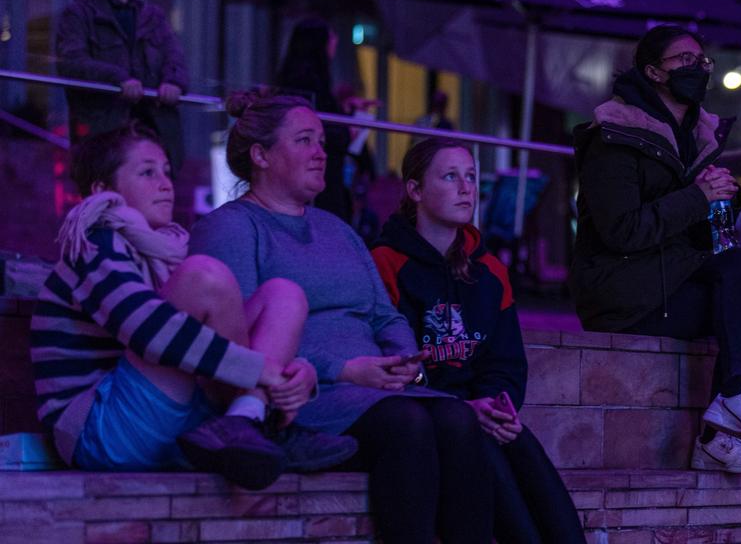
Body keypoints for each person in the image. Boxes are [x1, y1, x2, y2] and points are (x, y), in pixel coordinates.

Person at [189, 91, 493, 544]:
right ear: (261, 155)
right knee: (407, 425)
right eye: (305, 140)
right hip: (304, 395)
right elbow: (239, 333)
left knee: (459, 420)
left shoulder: (339, 230)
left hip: (377, 390)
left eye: (322, 143)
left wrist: (403, 363)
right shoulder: (233, 227)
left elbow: (384, 316)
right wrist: (346, 370)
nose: (321, 152)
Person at [31, 122, 355, 491]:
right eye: (147, 173)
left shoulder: (161, 251)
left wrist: (298, 373)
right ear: (102, 190)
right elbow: (146, 330)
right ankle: (263, 423)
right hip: (102, 432)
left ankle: (247, 419)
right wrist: (262, 371)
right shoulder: (95, 243)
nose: (166, 183)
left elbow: (218, 340)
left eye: (167, 171)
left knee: (283, 294)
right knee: (205, 277)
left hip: (168, 418)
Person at [571, 25, 741, 474]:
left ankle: (721, 427)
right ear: (653, 72)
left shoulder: (696, 138)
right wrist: (697, 198)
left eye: (703, 61)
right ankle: (730, 410)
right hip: (621, 296)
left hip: (666, 282)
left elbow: (695, 236)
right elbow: (623, 232)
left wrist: (723, 200)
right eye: (684, 61)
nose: (699, 68)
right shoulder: (613, 137)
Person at [371, 138, 584, 544]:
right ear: (415, 190)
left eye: (470, 176)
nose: (466, 188)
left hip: (482, 412)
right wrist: (466, 409)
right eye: (450, 177)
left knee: (523, 451)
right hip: (429, 416)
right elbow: (393, 363)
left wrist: (495, 405)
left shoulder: (489, 269)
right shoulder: (385, 263)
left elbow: (505, 363)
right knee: (487, 455)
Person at [56, 0, 189, 171]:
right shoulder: (79, 14)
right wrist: (117, 79)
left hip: (154, 132)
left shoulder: (153, 17)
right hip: (104, 133)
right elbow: (71, 63)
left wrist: (174, 82)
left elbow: (176, 58)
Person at [273, 17, 372, 223]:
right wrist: (348, 130)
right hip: (318, 177)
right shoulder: (309, 83)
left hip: (314, 174)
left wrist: (345, 109)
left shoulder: (298, 81)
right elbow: (316, 126)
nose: (335, 42)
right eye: (331, 37)